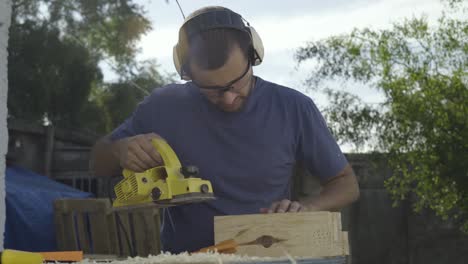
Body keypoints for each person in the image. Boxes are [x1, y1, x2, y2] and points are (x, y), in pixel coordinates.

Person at [90, 6, 360, 253]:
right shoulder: (163, 106)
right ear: (187, 72)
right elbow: (96, 164)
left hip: (266, 256)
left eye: (236, 83)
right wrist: (118, 150)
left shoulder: (293, 107)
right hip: (187, 258)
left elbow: (346, 184)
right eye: (212, 90)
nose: (229, 99)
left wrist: (307, 207)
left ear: (254, 55)